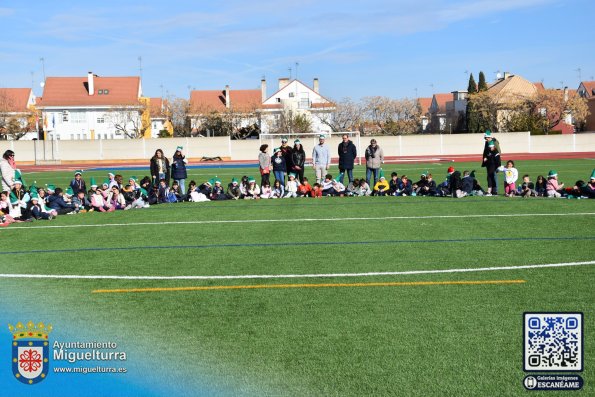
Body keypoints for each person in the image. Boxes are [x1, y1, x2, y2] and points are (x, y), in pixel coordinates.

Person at [482, 131, 501, 195]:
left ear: (489, 137)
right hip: (488, 162)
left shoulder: (494, 142)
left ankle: (495, 191)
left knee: (494, 176)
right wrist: (485, 157)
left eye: (486, 137)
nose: (485, 139)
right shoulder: (486, 142)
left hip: (494, 162)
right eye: (485, 138)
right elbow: (485, 151)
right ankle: (491, 190)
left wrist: (497, 164)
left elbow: (498, 152)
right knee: (489, 176)